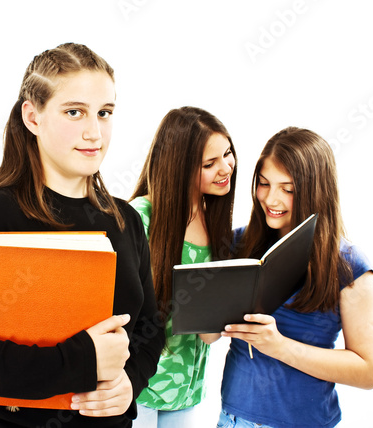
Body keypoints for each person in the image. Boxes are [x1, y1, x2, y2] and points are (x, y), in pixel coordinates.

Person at [0, 42, 165, 428]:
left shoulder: (125, 219)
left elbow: (148, 328)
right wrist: (78, 362)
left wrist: (131, 382)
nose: (94, 132)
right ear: (33, 117)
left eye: (105, 113)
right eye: (74, 112)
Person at [216, 126, 373, 428]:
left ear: (316, 192)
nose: (271, 199)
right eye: (264, 184)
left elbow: (368, 371)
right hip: (232, 418)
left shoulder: (350, 267)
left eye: (288, 189)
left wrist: (278, 345)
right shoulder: (239, 244)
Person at [129, 106, 237, 428]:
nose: (225, 168)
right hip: (139, 388)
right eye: (209, 163)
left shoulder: (215, 219)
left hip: (186, 392)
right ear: (179, 168)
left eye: (228, 153)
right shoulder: (141, 217)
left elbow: (208, 334)